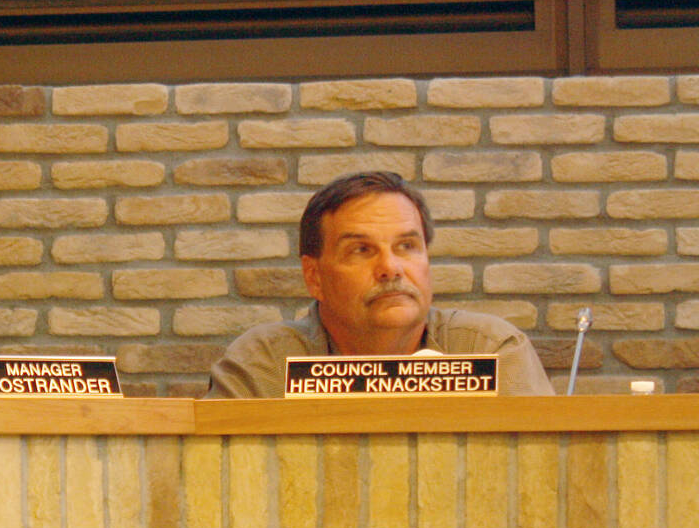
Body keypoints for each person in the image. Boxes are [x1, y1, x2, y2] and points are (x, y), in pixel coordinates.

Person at [205, 170, 553, 399]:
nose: (390, 268)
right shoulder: (262, 366)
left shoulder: (490, 351)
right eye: (361, 250)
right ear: (314, 277)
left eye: (407, 247)